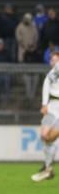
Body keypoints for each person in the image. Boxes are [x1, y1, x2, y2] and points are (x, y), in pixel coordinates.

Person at [32, 50, 59, 182]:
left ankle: (48, 167)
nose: (53, 62)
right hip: (52, 105)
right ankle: (48, 168)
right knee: (45, 136)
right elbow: (47, 81)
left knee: (52, 137)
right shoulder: (57, 69)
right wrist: (44, 104)